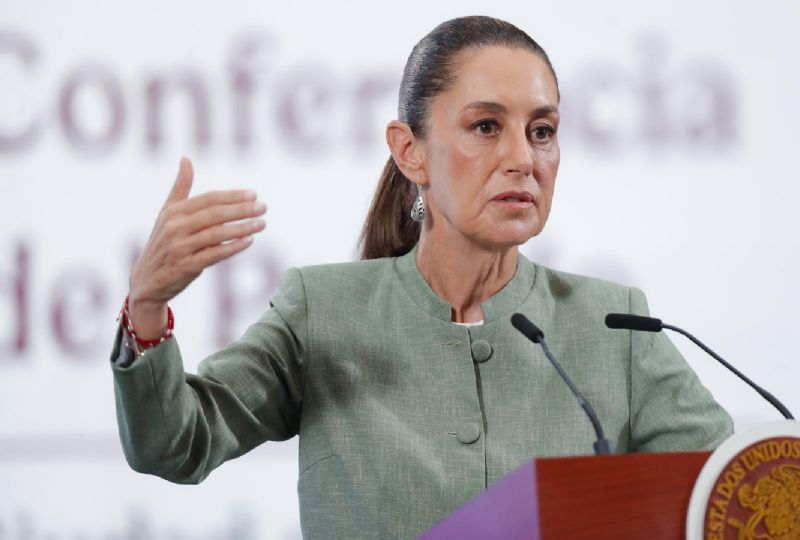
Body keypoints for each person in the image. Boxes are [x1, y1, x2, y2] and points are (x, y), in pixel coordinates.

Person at [110, 15, 734, 539]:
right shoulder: (322, 312)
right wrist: (146, 307)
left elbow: (730, 489)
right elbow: (175, 445)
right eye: (486, 126)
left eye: (541, 131)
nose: (522, 158)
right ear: (409, 151)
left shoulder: (613, 323)